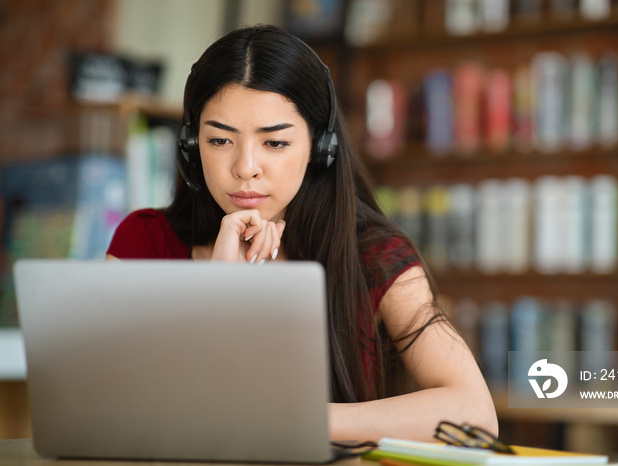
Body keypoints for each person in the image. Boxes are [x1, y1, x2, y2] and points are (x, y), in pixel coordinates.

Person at [106, 24, 497, 442]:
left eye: (274, 144)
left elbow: (474, 414)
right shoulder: (142, 242)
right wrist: (214, 293)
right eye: (220, 140)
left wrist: (290, 418)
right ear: (190, 145)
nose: (245, 167)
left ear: (319, 148)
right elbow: (102, 400)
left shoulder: (374, 255)